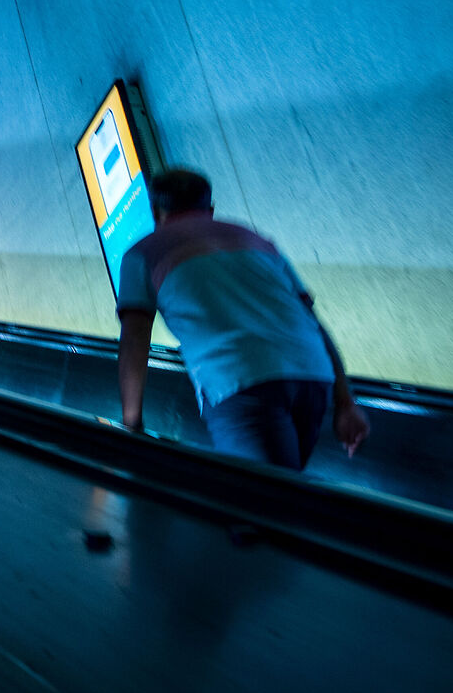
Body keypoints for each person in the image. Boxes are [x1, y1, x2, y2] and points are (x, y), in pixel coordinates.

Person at [117, 168, 369, 469]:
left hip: (239, 380)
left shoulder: (142, 253)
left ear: (155, 212)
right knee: (284, 493)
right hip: (313, 376)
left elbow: (135, 338)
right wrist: (346, 402)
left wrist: (131, 424)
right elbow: (311, 319)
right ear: (209, 210)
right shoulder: (258, 241)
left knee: (262, 500)